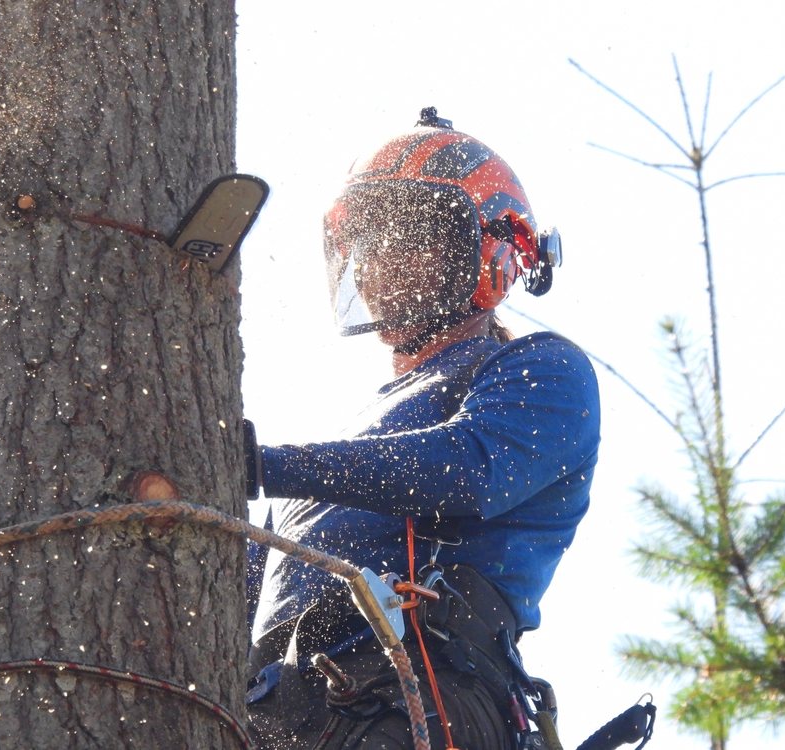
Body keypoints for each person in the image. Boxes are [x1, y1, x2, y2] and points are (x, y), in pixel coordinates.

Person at [244, 108, 600, 750]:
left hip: (412, 698)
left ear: (492, 249)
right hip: (273, 712)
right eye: (370, 237)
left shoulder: (540, 369)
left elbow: (468, 469)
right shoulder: (344, 442)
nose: (381, 257)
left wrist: (262, 466)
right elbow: (227, 581)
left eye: (411, 234)